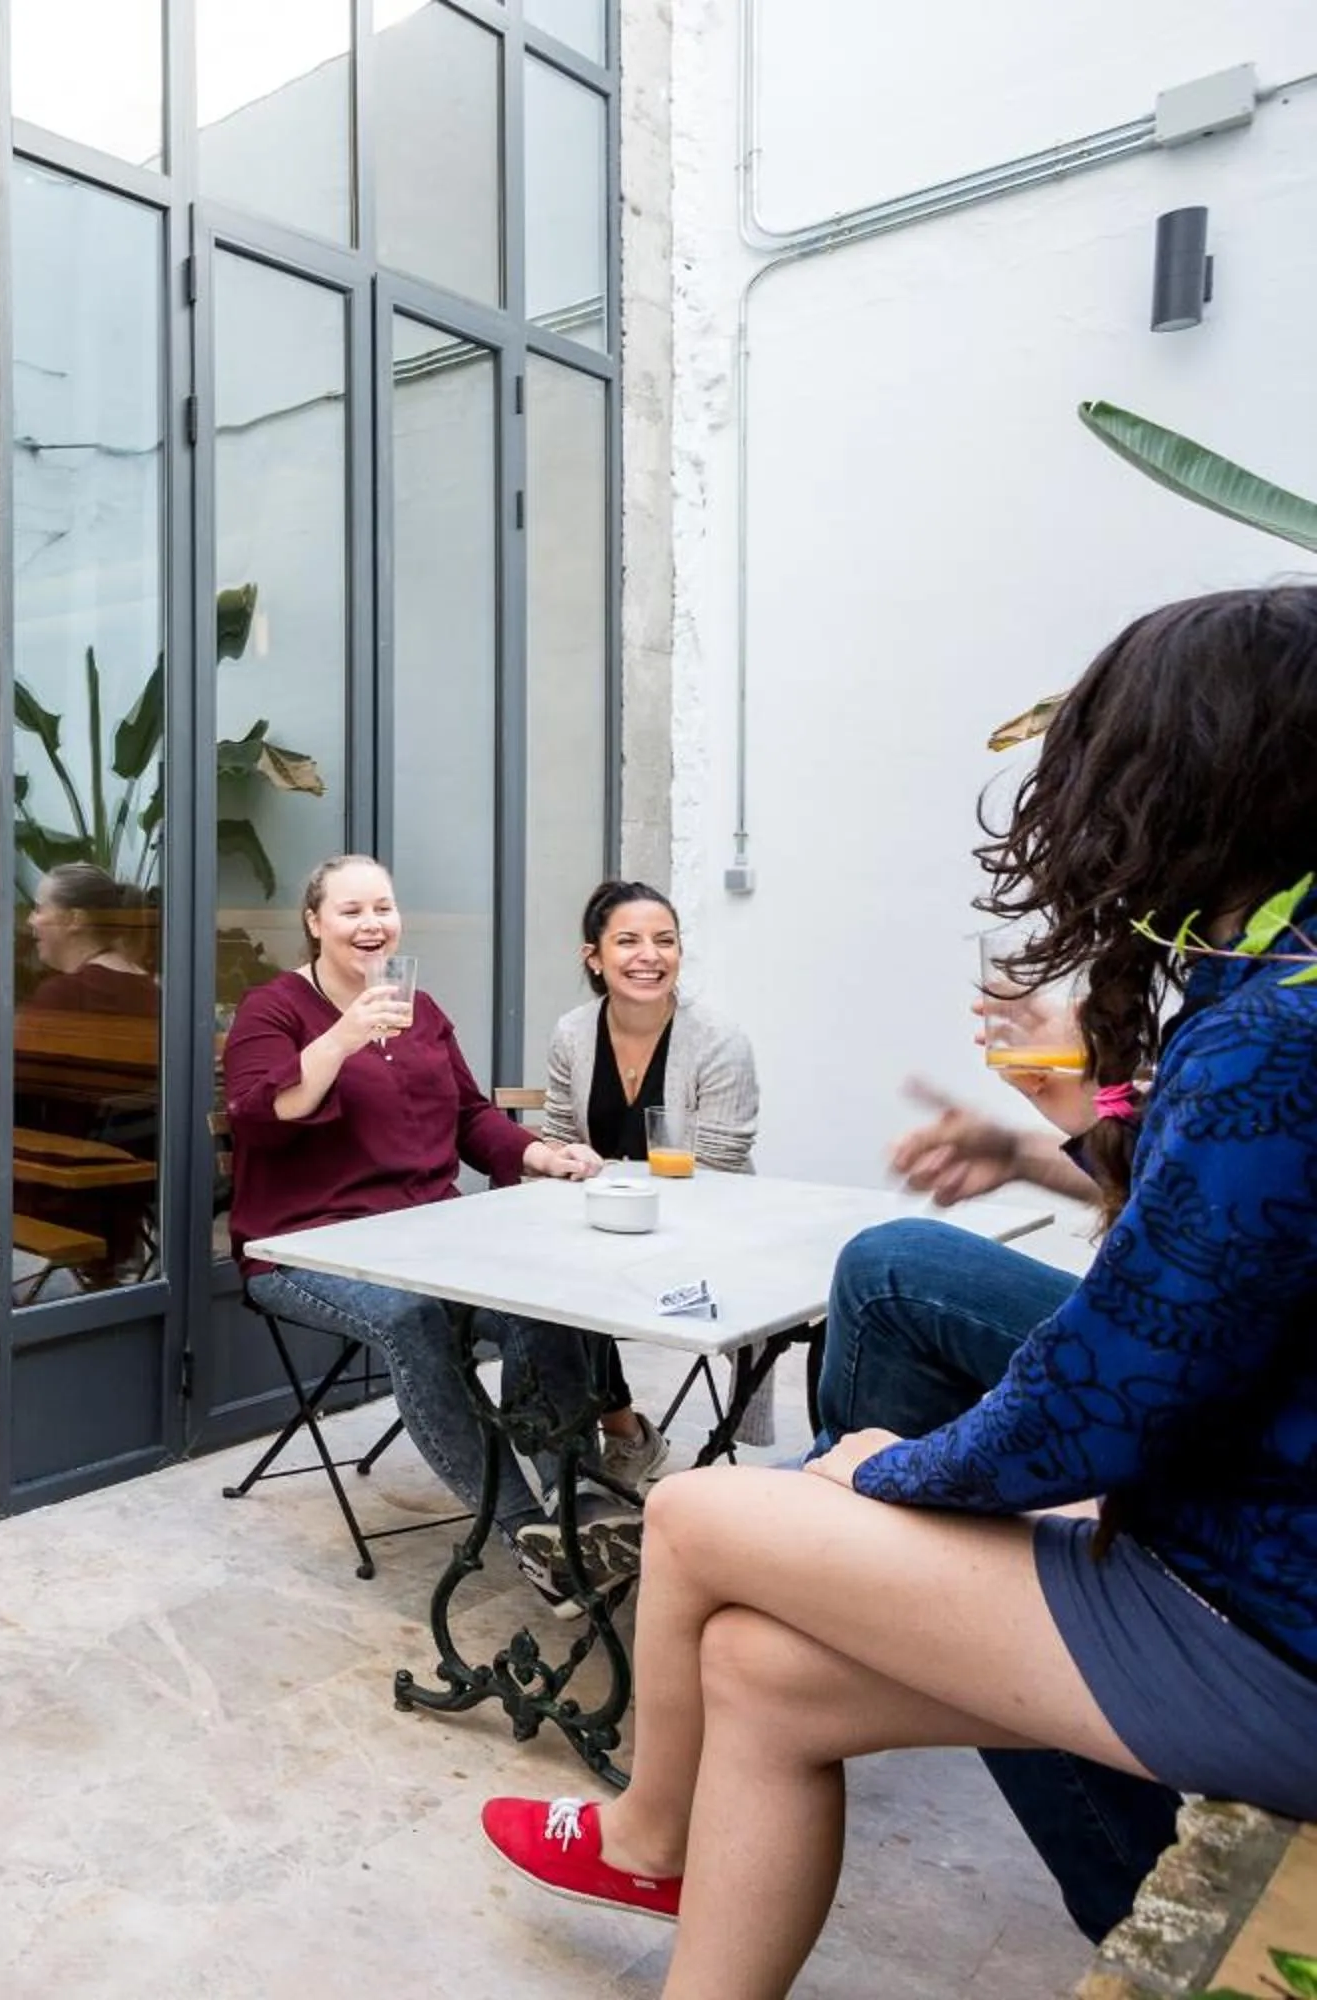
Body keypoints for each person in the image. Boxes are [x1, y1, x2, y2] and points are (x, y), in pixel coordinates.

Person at [480, 583, 1317, 1999]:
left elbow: (1114, 1393)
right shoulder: (1274, 992)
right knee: (760, 1671)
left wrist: (890, 1470)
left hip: (1261, 1616)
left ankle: (645, 1834)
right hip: (1242, 1542)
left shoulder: (1274, 1033)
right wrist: (1046, 1142)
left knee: (694, 1511)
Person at [814, 1000, 1178, 1945]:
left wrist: (907, 1472)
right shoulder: (1255, 986)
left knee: (908, 1530)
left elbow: (1186, 1289)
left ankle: (1138, 1908)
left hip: (1246, 1419)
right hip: (1216, 1354)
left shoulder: (1270, 1012)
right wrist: (1037, 1138)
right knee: (889, 1266)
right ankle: (859, 1559)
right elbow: (1190, 1182)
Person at [223, 854, 615, 1611]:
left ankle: (577, 1504)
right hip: (304, 1247)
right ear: (314, 922)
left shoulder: (421, 1009)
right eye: (351, 911)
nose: (372, 924)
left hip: (426, 1237)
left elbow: (470, 1116)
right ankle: (525, 1532)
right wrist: (343, 1036)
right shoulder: (273, 1009)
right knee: (414, 1319)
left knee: (545, 1302)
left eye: (384, 907)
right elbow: (260, 1116)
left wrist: (540, 1154)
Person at [540, 880, 762, 1488]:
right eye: (628, 941)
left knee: (567, 1286)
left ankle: (597, 1449)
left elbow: (718, 1168)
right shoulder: (572, 1033)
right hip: (603, 1230)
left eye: (665, 941)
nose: (650, 956)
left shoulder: (719, 1041)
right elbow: (559, 1139)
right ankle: (609, 1439)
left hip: (704, 1240)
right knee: (537, 1290)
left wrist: (604, 1176)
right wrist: (560, 1163)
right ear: (594, 957)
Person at [21, 862, 160, 1017]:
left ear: (74, 919)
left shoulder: (62, 997)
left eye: (39, 909)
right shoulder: (154, 994)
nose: (30, 920)